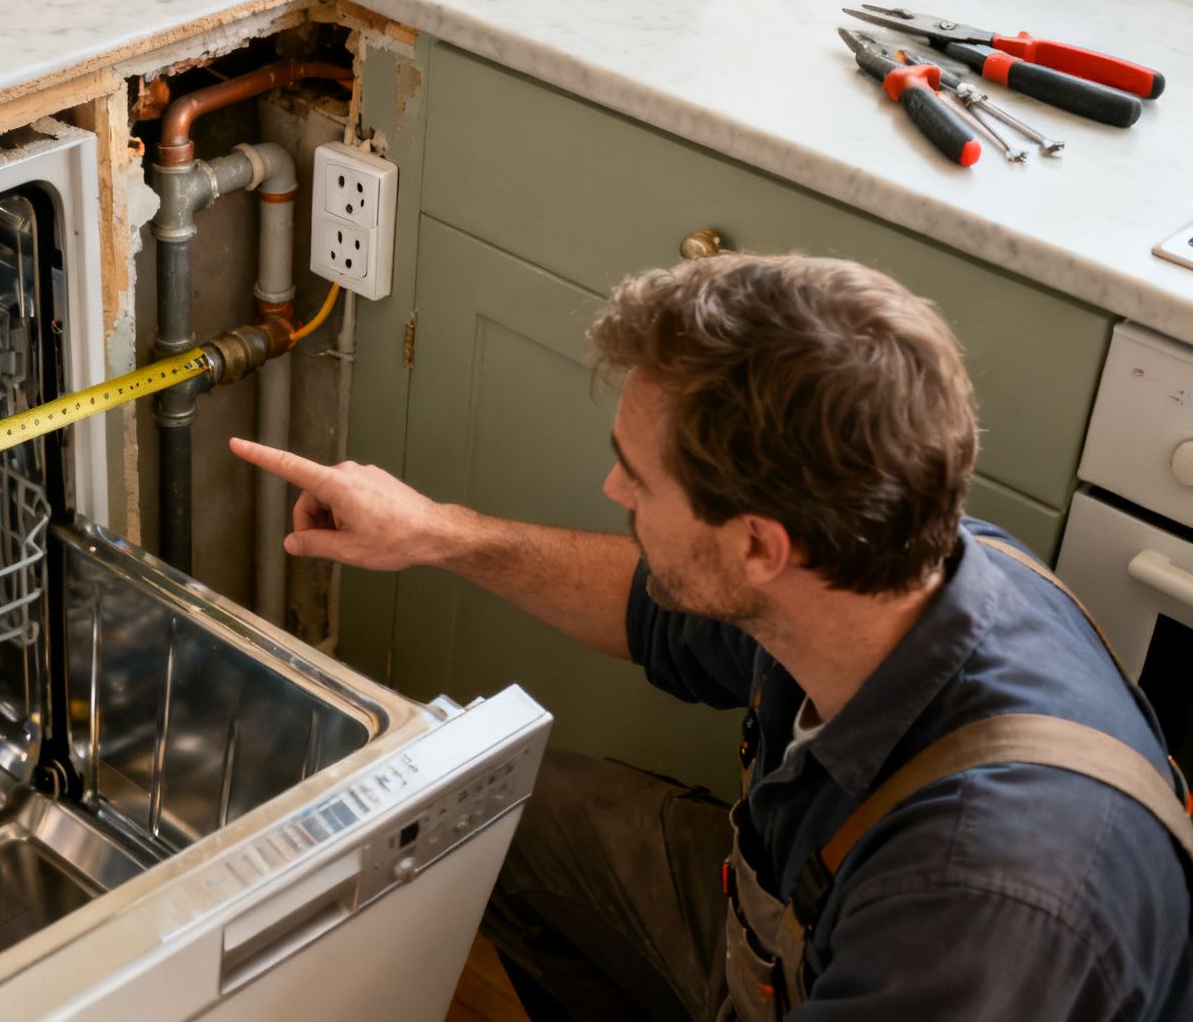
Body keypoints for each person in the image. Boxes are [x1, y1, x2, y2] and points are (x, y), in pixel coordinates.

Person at [233, 254, 1192, 1019]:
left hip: (909, 962)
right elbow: (655, 610)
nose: (615, 492)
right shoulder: (881, 571)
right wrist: (438, 533)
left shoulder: (982, 908)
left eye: (639, 480)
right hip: (795, 938)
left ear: (758, 545)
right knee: (487, 808)